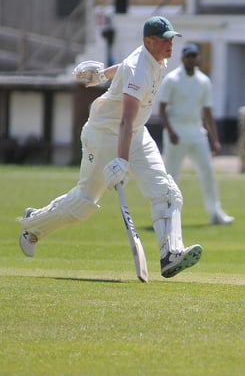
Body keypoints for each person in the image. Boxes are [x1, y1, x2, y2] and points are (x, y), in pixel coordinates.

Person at [18, 16, 202, 279]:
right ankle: (33, 225)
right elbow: (125, 119)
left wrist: (102, 75)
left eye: (172, 38)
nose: (170, 44)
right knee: (84, 203)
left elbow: (125, 67)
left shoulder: (156, 57)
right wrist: (122, 161)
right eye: (165, 40)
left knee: (168, 193)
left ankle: (170, 254)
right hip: (105, 135)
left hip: (136, 133)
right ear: (149, 41)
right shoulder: (141, 67)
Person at [159, 43, 235, 225]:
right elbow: (162, 109)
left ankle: (215, 212)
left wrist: (215, 139)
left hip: (196, 131)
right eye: (188, 56)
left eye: (194, 56)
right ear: (182, 58)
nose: (191, 59)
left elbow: (207, 111)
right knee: (171, 175)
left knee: (207, 171)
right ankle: (166, 214)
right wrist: (170, 131)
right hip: (176, 130)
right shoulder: (172, 79)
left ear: (198, 58)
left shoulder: (204, 81)